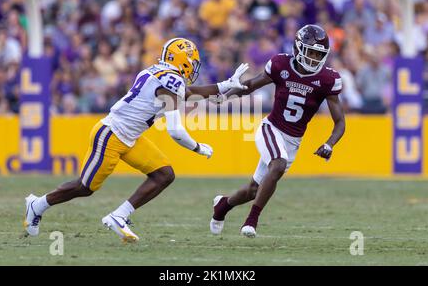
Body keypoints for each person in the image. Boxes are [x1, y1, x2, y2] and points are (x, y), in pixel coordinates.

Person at [24, 38, 249, 242]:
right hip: (111, 134)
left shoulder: (161, 74)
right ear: (183, 61)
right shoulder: (170, 81)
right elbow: (176, 131)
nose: (194, 67)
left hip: (130, 137)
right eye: (192, 62)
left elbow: (189, 93)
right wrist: (198, 147)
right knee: (85, 187)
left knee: (164, 174)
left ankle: (119, 216)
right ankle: (38, 204)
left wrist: (226, 84)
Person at [209, 25, 346, 238]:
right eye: (310, 52)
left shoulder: (328, 79)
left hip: (293, 140)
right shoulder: (281, 64)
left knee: (253, 190)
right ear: (298, 48)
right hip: (271, 129)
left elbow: (340, 122)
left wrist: (329, 143)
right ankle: (251, 220)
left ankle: (223, 206)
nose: (313, 58)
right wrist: (226, 95)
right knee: (278, 164)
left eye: (318, 54)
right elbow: (253, 84)